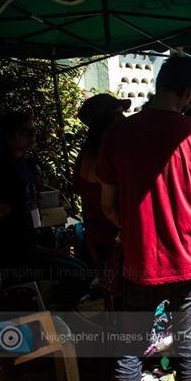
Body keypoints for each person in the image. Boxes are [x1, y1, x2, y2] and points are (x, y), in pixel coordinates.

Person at [99, 55, 191, 381]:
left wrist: (137, 229)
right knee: (189, 349)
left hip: (140, 261)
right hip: (190, 261)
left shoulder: (116, 133)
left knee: (129, 351)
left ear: (158, 85)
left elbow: (108, 206)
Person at [0, 110, 91, 309]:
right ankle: (59, 314)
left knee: (82, 270)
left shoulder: (21, 162)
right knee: (79, 274)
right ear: (8, 136)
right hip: (14, 253)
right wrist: (3, 208)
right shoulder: (2, 164)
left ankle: (59, 313)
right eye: (25, 132)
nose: (32, 136)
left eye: (33, 131)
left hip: (29, 243)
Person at [73, 94, 129, 267]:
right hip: (109, 241)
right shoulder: (98, 159)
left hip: (105, 238)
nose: (123, 119)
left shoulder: (90, 153)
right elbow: (109, 208)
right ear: (102, 124)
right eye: (116, 115)